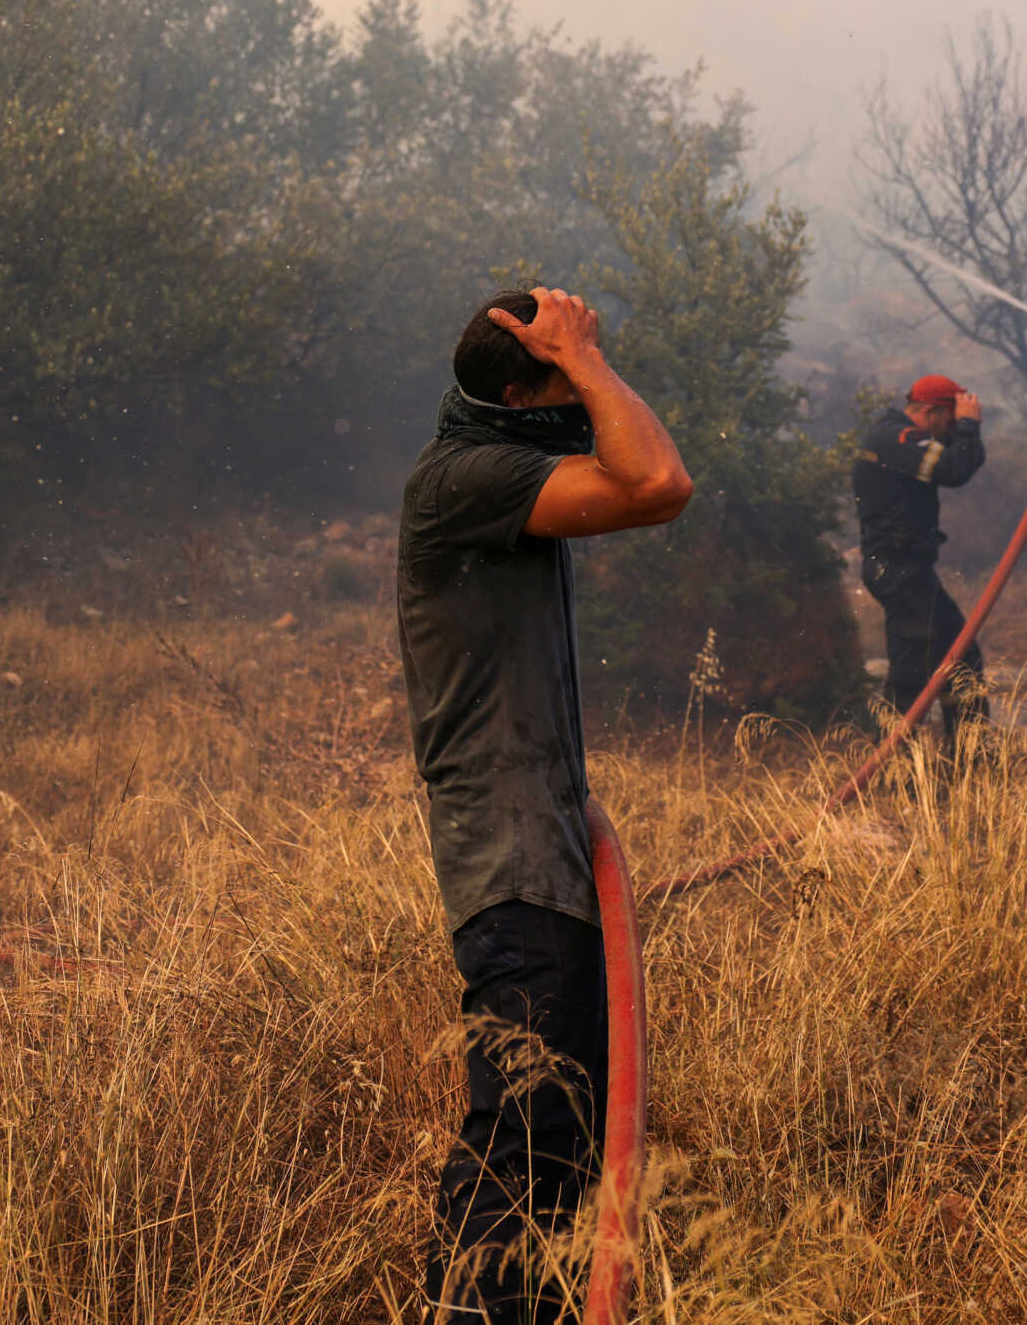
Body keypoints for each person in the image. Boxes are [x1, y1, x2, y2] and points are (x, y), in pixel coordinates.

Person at [398, 285, 692, 1323]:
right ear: (522, 392)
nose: (581, 394)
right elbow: (657, 480)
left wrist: (577, 355)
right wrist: (589, 362)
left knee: (561, 1134)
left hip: (547, 852)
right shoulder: (464, 477)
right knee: (523, 1132)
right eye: (562, 377)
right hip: (511, 864)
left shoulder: (492, 460)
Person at [851, 373, 989, 737]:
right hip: (901, 570)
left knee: (962, 663)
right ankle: (894, 774)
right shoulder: (900, 439)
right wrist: (970, 425)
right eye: (949, 419)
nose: (950, 429)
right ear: (930, 412)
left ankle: (970, 764)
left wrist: (967, 429)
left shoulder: (897, 437)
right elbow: (954, 469)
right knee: (912, 676)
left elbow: (966, 462)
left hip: (907, 570)